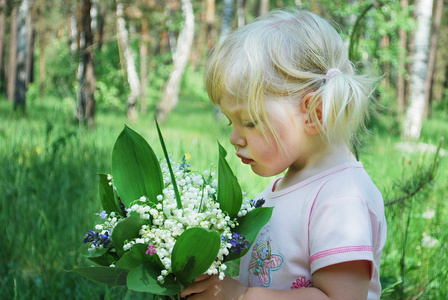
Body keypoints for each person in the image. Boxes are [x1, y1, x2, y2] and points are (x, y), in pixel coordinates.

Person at [181, 8, 387, 300]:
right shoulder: (283, 187)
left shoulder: (341, 198)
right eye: (231, 122)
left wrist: (241, 297)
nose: (234, 138)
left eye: (250, 121)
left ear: (314, 114)